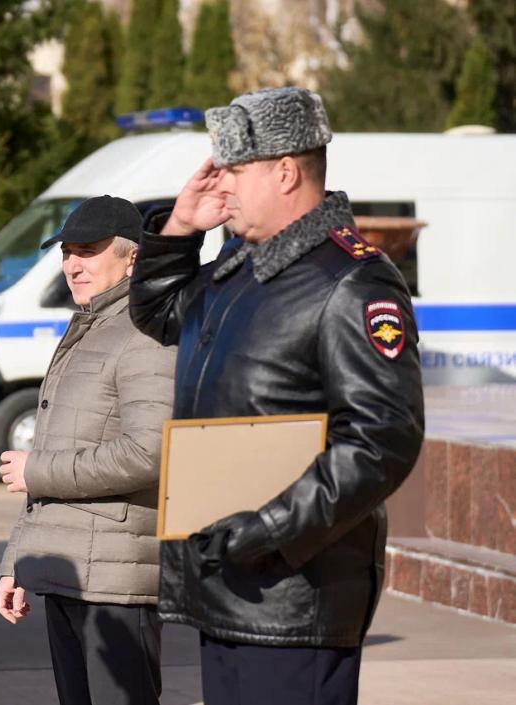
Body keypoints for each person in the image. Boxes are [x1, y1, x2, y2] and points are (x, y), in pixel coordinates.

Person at [128, 87, 425, 705]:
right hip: (229, 577)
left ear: (286, 171)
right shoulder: (241, 267)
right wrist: (180, 229)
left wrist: (268, 528)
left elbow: (381, 439)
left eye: (233, 169)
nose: (219, 185)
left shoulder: (350, 280)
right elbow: (159, 314)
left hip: (294, 590)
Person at [0, 195, 175, 705]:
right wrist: (17, 559)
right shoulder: (88, 326)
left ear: (132, 256)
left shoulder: (146, 331)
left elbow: (151, 451)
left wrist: (40, 472)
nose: (73, 264)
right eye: (67, 252)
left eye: (88, 251)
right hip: (68, 571)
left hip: (118, 581)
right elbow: (59, 447)